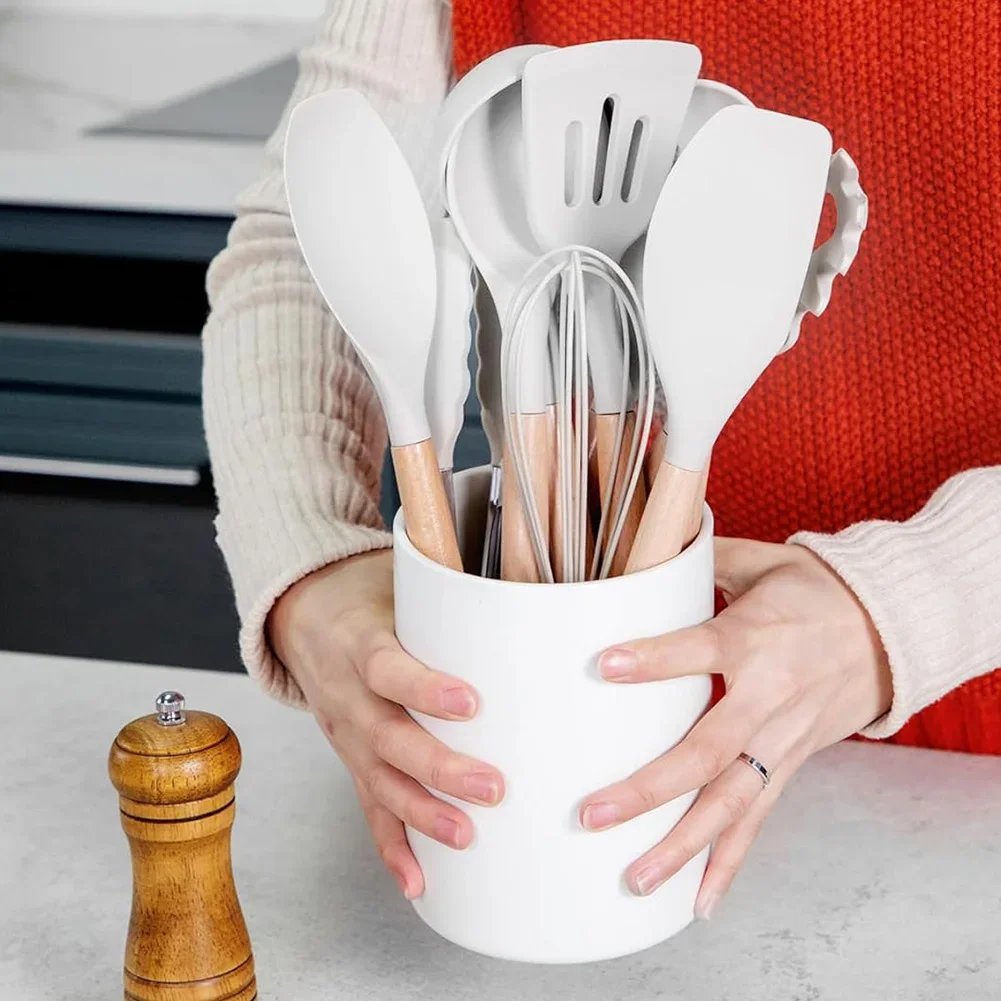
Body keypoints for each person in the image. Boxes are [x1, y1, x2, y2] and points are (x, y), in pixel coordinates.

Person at [202, 0, 1001, 917]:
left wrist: (905, 608)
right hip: (567, 729)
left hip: (966, 778)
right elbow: (309, 242)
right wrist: (310, 567)